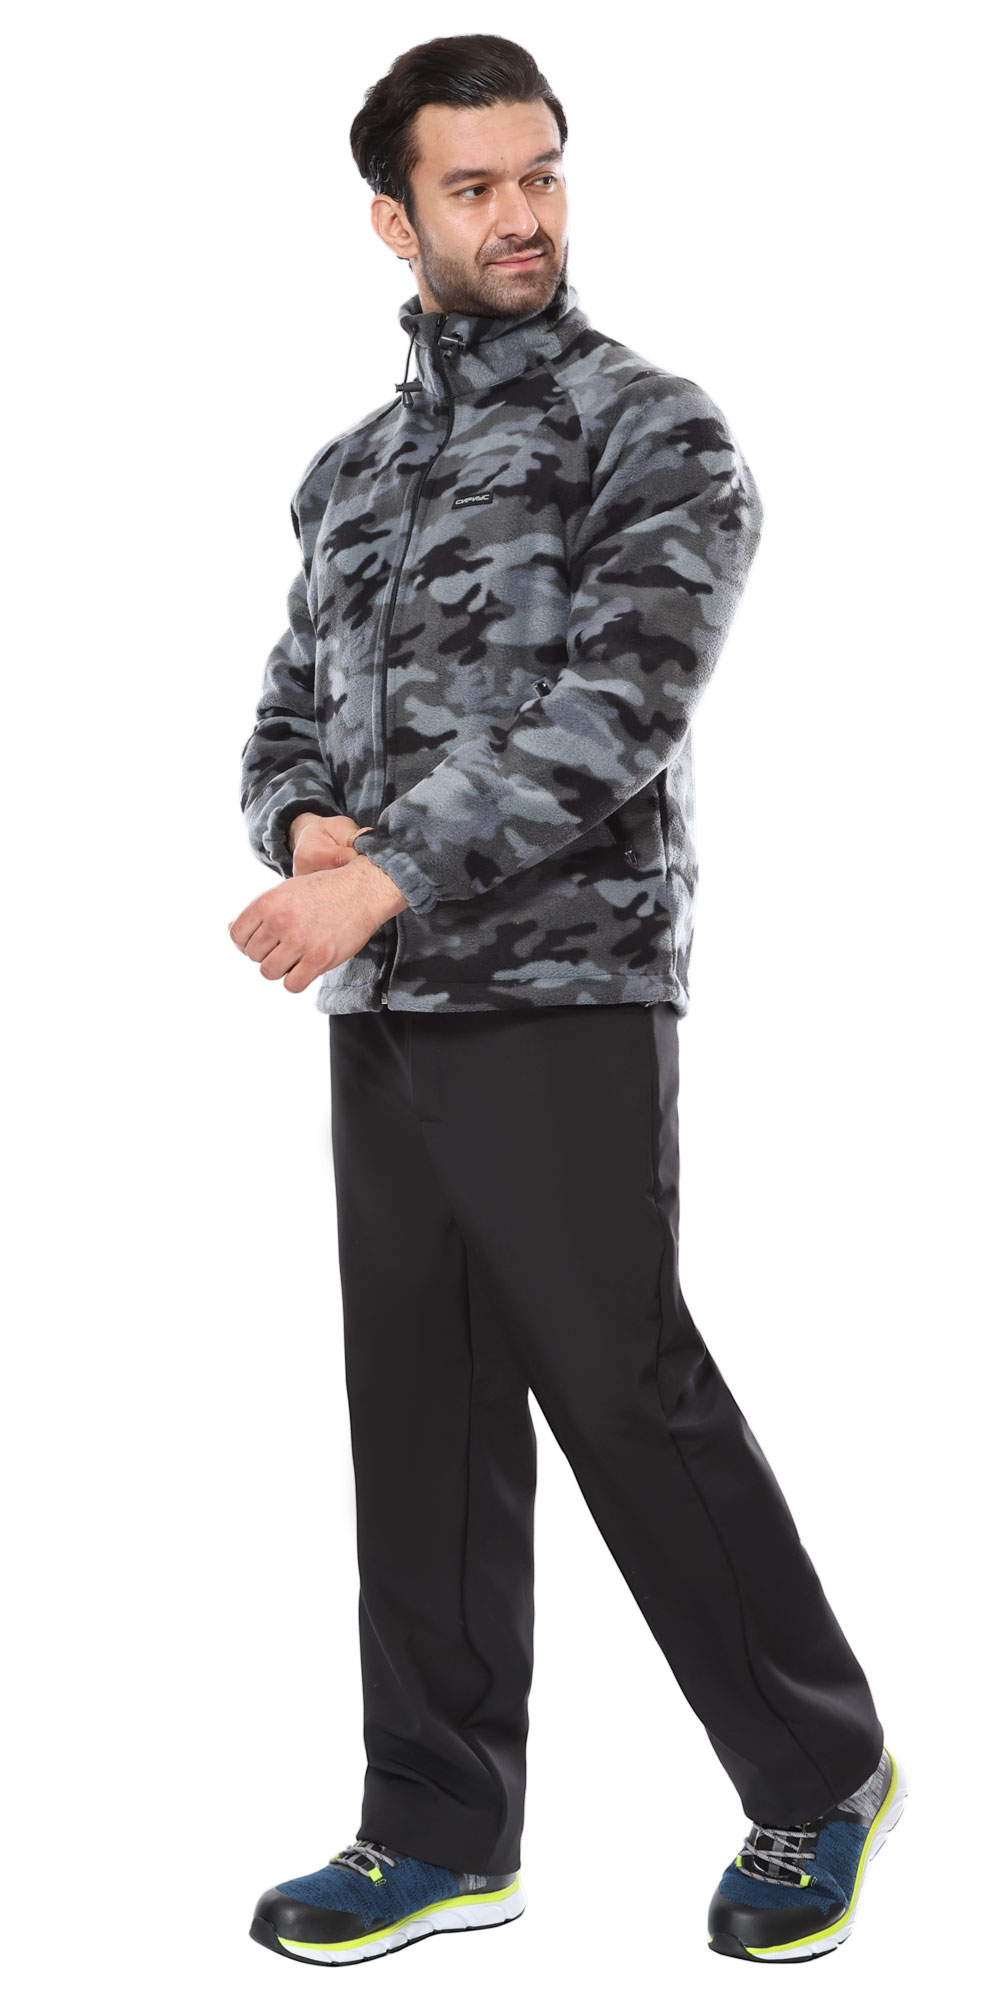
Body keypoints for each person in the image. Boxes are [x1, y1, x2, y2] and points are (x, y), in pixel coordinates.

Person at [230, 33, 906, 1970]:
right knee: (418, 1409)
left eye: (539, 173)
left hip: (564, 981)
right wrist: (299, 818)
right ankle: (439, 1827)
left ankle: (818, 1773)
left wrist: (378, 875)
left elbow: (620, 710)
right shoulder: (351, 473)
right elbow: (283, 709)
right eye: (474, 186)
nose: (520, 213)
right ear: (395, 217)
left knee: (622, 1389)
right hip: (386, 1001)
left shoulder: (652, 431)